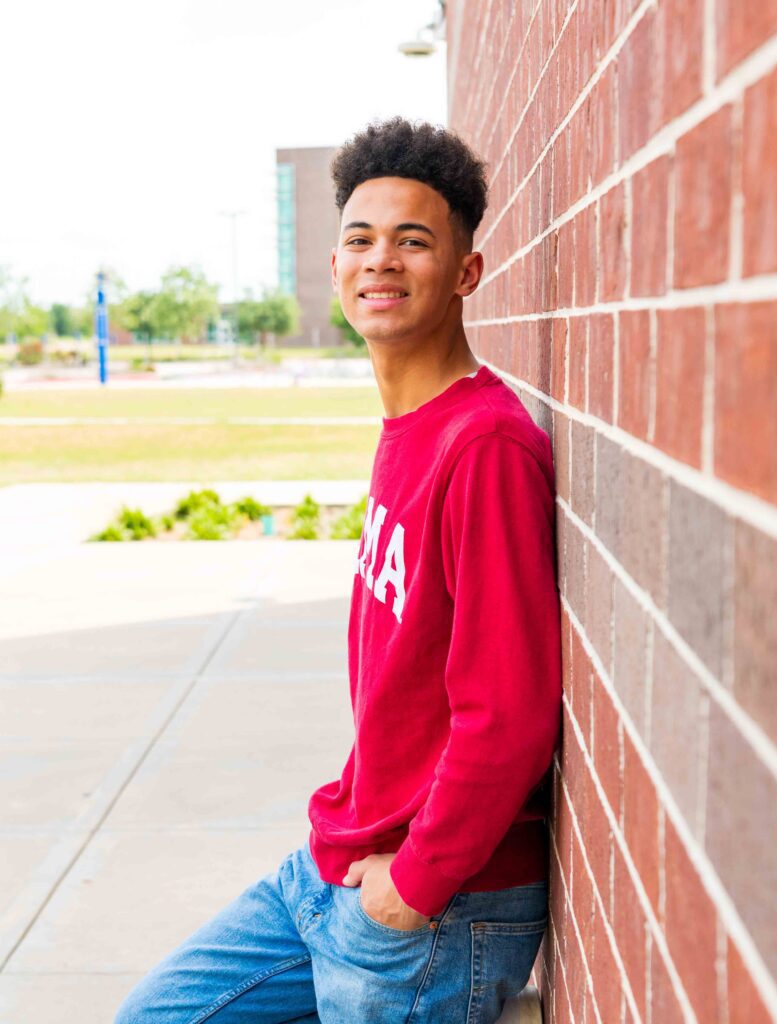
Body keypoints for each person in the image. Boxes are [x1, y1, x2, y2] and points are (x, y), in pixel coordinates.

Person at [113, 115, 563, 1024]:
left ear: (466, 273)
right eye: (360, 239)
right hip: (332, 867)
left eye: (413, 240)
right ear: (332, 271)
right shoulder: (411, 428)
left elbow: (508, 711)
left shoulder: (483, 447)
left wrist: (416, 884)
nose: (380, 260)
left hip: (431, 907)